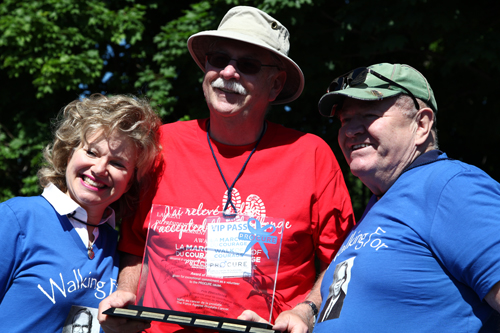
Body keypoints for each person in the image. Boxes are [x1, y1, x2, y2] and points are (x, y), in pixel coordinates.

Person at [98, 5, 354, 333]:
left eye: (247, 65)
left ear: (275, 85)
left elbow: (344, 265)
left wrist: (307, 311)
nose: (229, 73)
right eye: (219, 60)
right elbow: (134, 245)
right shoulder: (161, 144)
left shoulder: (311, 156)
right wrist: (126, 294)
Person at [313, 63, 500, 332]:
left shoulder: (451, 186)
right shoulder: (381, 202)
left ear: (421, 125)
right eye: (344, 120)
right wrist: (305, 314)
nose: (351, 130)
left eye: (368, 114)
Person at [0, 93, 162, 332]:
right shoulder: (16, 217)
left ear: (129, 183)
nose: (99, 169)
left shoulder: (112, 242)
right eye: (91, 152)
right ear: (69, 154)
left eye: (117, 163)